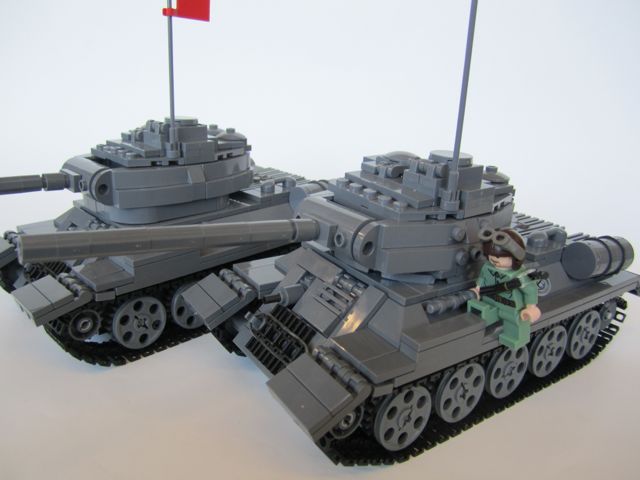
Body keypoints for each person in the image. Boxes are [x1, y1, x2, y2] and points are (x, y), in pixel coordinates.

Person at [467, 228, 541, 349]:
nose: (494, 258)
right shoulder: (487, 267)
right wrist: (478, 288)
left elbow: (530, 290)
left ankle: (513, 340)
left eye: (499, 256)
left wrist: (531, 307)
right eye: (491, 255)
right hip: (489, 301)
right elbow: (482, 278)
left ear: (515, 257)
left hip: (510, 307)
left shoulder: (519, 276)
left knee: (514, 323)